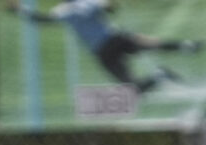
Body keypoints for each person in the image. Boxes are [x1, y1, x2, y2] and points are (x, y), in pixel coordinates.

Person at [16, 0, 189, 95]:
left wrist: (20, 10)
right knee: (133, 87)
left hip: (110, 43)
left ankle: (182, 49)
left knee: (147, 47)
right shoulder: (67, 9)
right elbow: (110, 8)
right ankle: (162, 74)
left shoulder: (67, 9)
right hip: (107, 46)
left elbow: (42, 20)